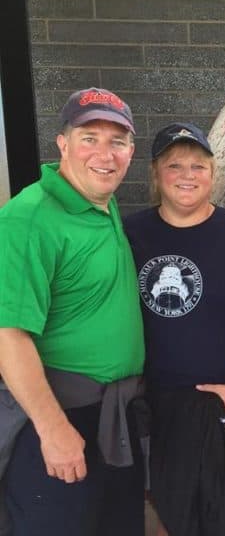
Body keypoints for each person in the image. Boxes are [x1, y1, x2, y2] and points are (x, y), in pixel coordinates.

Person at [123, 122, 225, 535]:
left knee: (222, 508)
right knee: (164, 511)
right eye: (174, 165)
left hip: (224, 401)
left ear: (212, 175)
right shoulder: (130, 235)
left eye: (198, 166)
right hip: (154, 402)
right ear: (156, 175)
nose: (187, 175)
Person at [0, 87, 145, 535]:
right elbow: (9, 335)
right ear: (62, 143)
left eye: (117, 141)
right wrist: (53, 430)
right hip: (56, 418)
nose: (105, 153)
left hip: (111, 416)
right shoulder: (30, 218)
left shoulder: (101, 202)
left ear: (131, 151)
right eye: (89, 137)